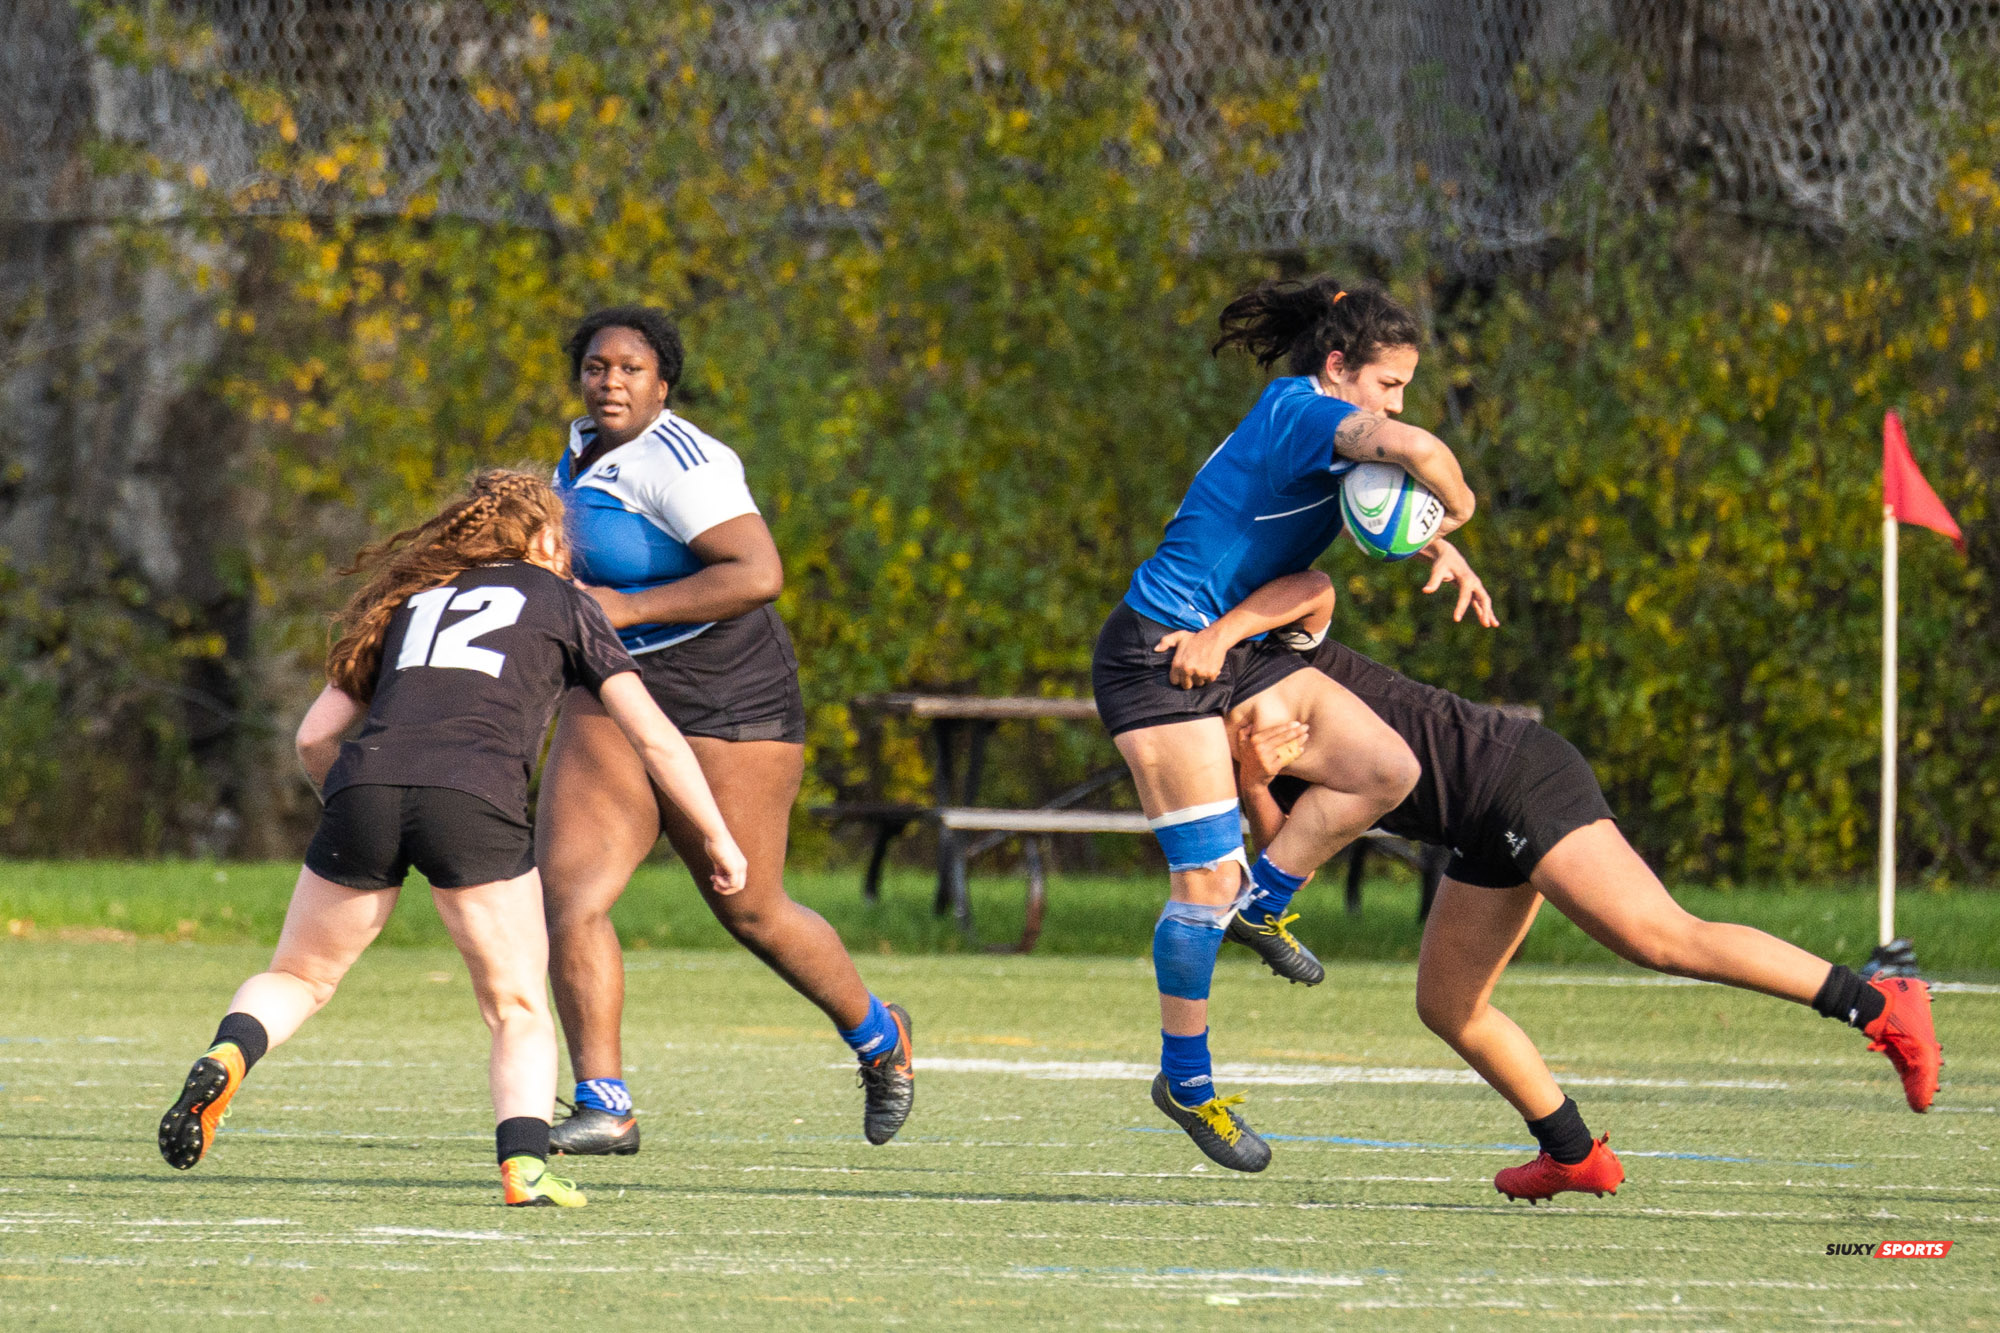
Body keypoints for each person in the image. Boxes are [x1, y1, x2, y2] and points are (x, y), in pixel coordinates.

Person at [1160, 566, 1943, 1202]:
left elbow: (1317, 586)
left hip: (1514, 776)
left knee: (1658, 936)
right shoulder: (1219, 740)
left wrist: (1224, 630)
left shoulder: (1267, 646)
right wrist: (1258, 776)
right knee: (1447, 1004)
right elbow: (1286, 852)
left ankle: (1879, 1004)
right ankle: (1572, 1153)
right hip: (1477, 823)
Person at [157, 470, 747, 1208]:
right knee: (517, 1005)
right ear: (541, 539)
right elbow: (653, 736)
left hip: (364, 786)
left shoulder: (412, 601)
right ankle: (524, 1167)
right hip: (473, 797)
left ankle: (228, 1053)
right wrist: (716, 834)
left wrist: (354, 806)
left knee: (301, 978)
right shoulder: (563, 600)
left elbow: (314, 737)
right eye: (562, 540)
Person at [1090, 276, 1495, 1172]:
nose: (1396, 401)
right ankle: (1186, 1082)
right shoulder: (1304, 411)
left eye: (1404, 387)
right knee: (1201, 880)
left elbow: (1372, 484)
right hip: (1159, 653)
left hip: (1228, 647)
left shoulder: (1324, 429)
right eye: (1388, 382)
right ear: (1340, 365)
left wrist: (1438, 542)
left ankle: (1264, 902)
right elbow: (1411, 447)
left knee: (1385, 770)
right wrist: (1459, 503)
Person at [538, 306, 912, 1156]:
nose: (612, 382)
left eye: (631, 369)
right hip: (617, 688)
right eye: (598, 367)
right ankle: (607, 1103)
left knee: (749, 907)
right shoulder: (575, 453)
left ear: (663, 384)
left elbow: (760, 571)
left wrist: (625, 607)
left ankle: (882, 1038)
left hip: (728, 695)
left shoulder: (685, 459)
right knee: (570, 895)